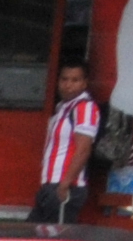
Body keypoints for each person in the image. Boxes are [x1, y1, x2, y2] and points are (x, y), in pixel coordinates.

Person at [33, 59, 101, 222]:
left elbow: (83, 149)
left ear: (84, 83)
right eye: (64, 79)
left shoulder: (84, 108)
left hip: (65, 186)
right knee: (34, 238)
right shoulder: (62, 108)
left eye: (75, 80)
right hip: (51, 185)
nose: (68, 85)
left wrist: (65, 184)